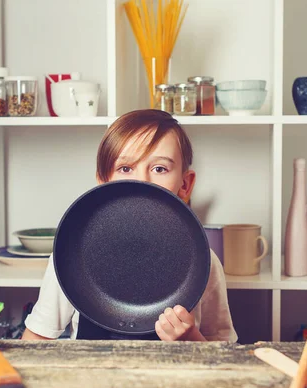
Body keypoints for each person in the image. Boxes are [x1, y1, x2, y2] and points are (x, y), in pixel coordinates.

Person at [21, 109, 237, 342]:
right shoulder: (71, 257)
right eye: (125, 168)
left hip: (173, 378)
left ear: (185, 184)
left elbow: (222, 353)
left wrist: (190, 338)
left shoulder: (204, 262)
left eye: (159, 169)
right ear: (104, 182)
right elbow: (37, 339)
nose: (142, 181)